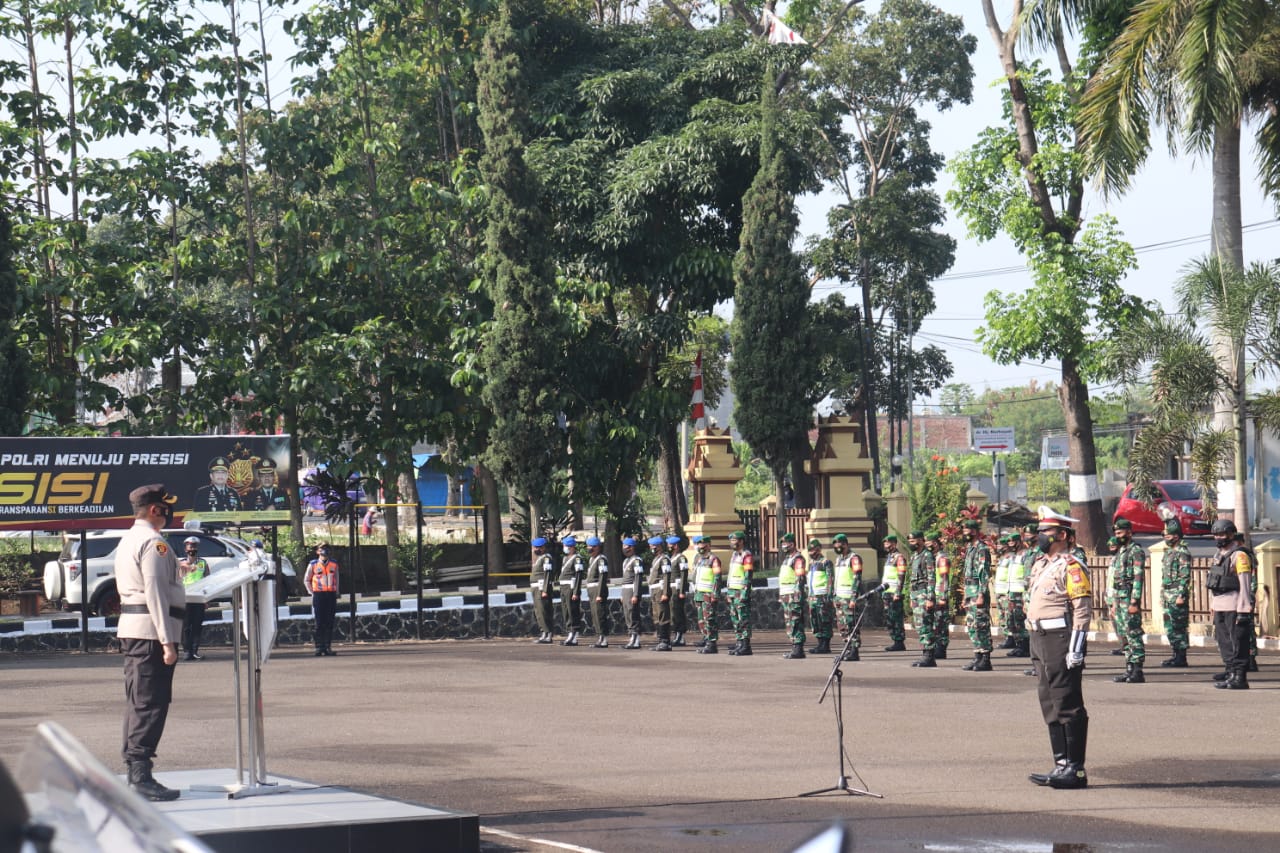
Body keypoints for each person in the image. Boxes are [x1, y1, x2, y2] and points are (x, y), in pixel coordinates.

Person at [117, 484, 184, 801]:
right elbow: (155, 591)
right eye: (166, 507)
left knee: (139, 701)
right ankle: (140, 776)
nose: (170, 513)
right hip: (151, 632)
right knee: (150, 703)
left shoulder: (130, 537)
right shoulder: (154, 543)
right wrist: (167, 641)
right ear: (156, 510)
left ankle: (136, 769)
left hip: (136, 629)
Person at [1026, 507, 1091, 789]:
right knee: (1049, 702)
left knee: (1067, 702)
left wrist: (1076, 648)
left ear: (1062, 535)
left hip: (1060, 639)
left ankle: (1076, 769)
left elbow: (1082, 610)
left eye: (1046, 532)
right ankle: (1060, 764)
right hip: (1038, 638)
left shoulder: (1073, 567)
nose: (1040, 536)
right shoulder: (1041, 564)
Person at [1208, 519, 1255, 689]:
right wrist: (1213, 604)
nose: (1219, 538)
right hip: (1220, 604)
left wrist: (1244, 608)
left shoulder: (1240, 555)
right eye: (1216, 535)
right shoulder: (1218, 555)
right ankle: (1230, 672)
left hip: (1235, 605)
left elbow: (1245, 583)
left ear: (1231, 535)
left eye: (1222, 534)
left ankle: (1240, 677)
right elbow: (1214, 582)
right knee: (1224, 642)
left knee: (1238, 642)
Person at [1110, 518, 1147, 684]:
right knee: (1124, 635)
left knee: (1133, 633)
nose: (1118, 536)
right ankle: (1129, 668)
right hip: (1119, 598)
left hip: (1129, 597)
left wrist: (1134, 602)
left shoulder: (1135, 551)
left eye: (1120, 532)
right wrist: (1113, 602)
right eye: (1116, 533)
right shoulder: (1121, 551)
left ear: (1129, 533)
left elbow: (1138, 578)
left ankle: (1137, 670)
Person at [960, 519, 993, 672]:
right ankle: (977, 656)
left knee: (981, 625)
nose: (964, 533)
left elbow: (984, 574)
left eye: (966, 531)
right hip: (969, 591)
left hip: (978, 591)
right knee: (972, 626)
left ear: (974, 531)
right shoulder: (970, 548)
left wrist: (981, 594)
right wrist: (965, 596)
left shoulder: (982, 549)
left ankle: (985, 658)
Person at [1160, 518, 1193, 668]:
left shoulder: (1182, 552)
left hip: (1177, 594)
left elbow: (1184, 576)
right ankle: (1175, 654)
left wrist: (1181, 595)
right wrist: (1162, 596)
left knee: (1179, 626)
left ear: (1176, 536)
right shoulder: (1169, 552)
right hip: (1167, 594)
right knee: (1170, 626)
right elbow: (1164, 576)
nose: (1165, 538)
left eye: (1167, 536)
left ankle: (1181, 657)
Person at [906, 530, 937, 668]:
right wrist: (911, 596)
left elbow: (931, 578)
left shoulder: (927, 556)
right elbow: (911, 578)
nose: (910, 544)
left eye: (913, 541)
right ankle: (925, 652)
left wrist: (930, 598)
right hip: (916, 593)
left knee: (926, 624)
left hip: (924, 592)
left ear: (920, 540)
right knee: (919, 625)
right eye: (909, 541)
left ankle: (929, 655)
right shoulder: (914, 556)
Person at [304, 543, 340, 656]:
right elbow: (306, 580)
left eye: (326, 549)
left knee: (329, 622)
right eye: (322, 549)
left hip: (330, 595)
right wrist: (311, 592)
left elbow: (337, 578)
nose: (324, 551)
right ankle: (319, 647)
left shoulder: (334, 564)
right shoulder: (313, 564)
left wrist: (337, 591)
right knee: (319, 622)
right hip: (319, 595)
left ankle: (328, 647)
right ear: (318, 551)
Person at [178, 536, 210, 661]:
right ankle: (187, 651)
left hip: (199, 598)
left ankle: (195, 650)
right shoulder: (180, 563)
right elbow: (177, 580)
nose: (192, 548)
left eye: (194, 546)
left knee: (197, 625)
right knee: (185, 626)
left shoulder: (203, 563)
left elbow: (208, 580)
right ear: (185, 548)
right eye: (190, 546)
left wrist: (207, 598)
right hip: (185, 598)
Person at [832, 533, 862, 662]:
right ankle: (847, 648)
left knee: (851, 624)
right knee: (842, 625)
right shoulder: (838, 559)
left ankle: (854, 651)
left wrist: (854, 598)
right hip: (839, 597)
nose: (837, 546)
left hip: (849, 597)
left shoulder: (854, 558)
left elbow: (857, 579)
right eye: (835, 544)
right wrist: (834, 595)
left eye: (840, 544)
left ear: (846, 544)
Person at [777, 533, 808, 659]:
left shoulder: (798, 559)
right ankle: (794, 646)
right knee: (789, 622)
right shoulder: (787, 559)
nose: (784, 546)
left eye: (786, 543)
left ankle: (798, 649)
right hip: (786, 594)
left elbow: (800, 578)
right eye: (782, 544)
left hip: (793, 594)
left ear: (792, 544)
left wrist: (797, 595)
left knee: (795, 621)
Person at [691, 535, 723, 654]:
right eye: (699, 545)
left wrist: (715, 594)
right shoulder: (700, 560)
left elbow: (717, 578)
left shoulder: (714, 560)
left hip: (708, 594)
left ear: (709, 545)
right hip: (699, 593)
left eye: (703, 545)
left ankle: (712, 643)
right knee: (701, 620)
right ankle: (706, 640)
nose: (700, 547)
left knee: (709, 619)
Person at [725, 531, 755, 656]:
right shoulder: (734, 555)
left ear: (741, 541)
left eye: (734, 540)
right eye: (731, 540)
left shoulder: (746, 556)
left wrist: (744, 594)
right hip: (732, 591)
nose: (732, 542)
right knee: (735, 619)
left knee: (743, 619)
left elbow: (748, 577)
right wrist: (728, 591)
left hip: (740, 592)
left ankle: (746, 645)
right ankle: (739, 643)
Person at [807, 538, 835, 655]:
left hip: (822, 596)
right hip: (812, 596)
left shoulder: (826, 562)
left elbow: (830, 579)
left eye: (813, 550)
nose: (811, 553)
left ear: (819, 549)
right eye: (810, 550)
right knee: (815, 621)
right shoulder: (811, 564)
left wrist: (828, 595)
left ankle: (825, 644)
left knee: (825, 620)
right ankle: (820, 643)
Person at [926, 530, 951, 661]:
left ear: (935, 543)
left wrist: (943, 596)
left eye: (928, 543)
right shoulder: (934, 558)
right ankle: (937, 647)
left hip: (940, 595)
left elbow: (944, 578)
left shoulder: (942, 559)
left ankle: (941, 649)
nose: (926, 545)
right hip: (934, 595)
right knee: (936, 623)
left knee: (941, 623)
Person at [1005, 533, 1031, 658]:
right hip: (1012, 592)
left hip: (1020, 592)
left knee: (1021, 620)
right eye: (1009, 543)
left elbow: (1027, 574)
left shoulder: (1025, 555)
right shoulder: (1014, 557)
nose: (1011, 545)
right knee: (1013, 621)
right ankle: (1019, 644)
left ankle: (1025, 646)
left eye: (1013, 542)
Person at [646, 535, 673, 651]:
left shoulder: (664, 559)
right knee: (656, 615)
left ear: (659, 546)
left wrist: (665, 593)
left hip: (661, 590)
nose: (651, 548)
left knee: (663, 615)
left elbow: (666, 576)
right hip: (654, 590)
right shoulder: (656, 559)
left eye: (653, 546)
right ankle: (660, 640)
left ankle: (665, 641)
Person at [558, 535, 586, 646]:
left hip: (571, 587)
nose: (564, 547)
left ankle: (574, 634)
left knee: (572, 611)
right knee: (566, 611)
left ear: (571, 547)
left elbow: (578, 576)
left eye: (566, 545)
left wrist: (575, 592)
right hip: (564, 587)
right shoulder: (565, 558)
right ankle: (570, 632)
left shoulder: (577, 558)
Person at [881, 534, 908, 652]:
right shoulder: (889, 558)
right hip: (887, 592)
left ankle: (899, 641)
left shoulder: (899, 558)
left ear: (894, 544)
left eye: (889, 543)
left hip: (894, 593)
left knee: (896, 617)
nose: (887, 546)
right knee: (889, 618)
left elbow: (901, 575)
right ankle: (895, 640)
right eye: (885, 543)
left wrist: (898, 591)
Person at [584, 536, 610, 648]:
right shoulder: (591, 559)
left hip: (598, 590)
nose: (590, 548)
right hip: (591, 590)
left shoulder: (601, 560)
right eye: (588, 546)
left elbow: (602, 578)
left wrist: (599, 594)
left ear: (598, 547)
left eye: (592, 546)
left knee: (600, 614)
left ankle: (603, 638)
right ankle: (599, 636)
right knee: (595, 615)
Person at [619, 537, 645, 649]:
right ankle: (631, 637)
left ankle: (636, 639)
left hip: (631, 590)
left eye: (626, 546)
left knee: (633, 614)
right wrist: (622, 594)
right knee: (627, 614)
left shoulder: (637, 561)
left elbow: (638, 579)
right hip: (625, 590)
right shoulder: (625, 561)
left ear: (632, 547)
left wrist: (636, 594)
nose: (624, 548)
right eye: (623, 546)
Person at [529, 538, 556, 644]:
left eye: (538, 547)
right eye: (535, 547)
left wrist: (545, 590)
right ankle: (544, 632)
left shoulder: (546, 558)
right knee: (539, 611)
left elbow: (548, 574)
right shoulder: (540, 558)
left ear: (543, 548)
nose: (536, 549)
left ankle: (548, 633)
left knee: (543, 611)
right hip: (536, 588)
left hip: (541, 588)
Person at [668, 535, 690, 647]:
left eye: (670, 545)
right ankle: (677, 634)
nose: (668, 547)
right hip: (671, 588)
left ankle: (680, 636)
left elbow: (683, 575)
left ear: (675, 546)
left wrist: (682, 591)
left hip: (677, 588)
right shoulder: (671, 558)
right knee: (673, 613)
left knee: (678, 612)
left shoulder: (681, 558)